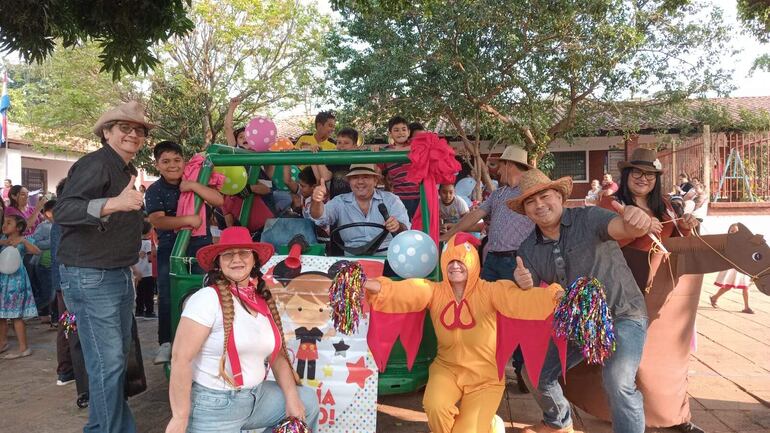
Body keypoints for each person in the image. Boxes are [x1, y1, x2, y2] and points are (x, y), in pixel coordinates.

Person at [363, 233, 562, 433]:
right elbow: (403, 292)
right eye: (450, 261)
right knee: (435, 408)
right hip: (447, 369)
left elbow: (521, 301)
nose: (455, 266)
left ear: (473, 262)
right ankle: (486, 424)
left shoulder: (491, 291)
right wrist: (366, 283)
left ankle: (491, 424)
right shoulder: (433, 291)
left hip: (485, 377)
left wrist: (558, 297)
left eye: (461, 260)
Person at [509, 168, 653, 433]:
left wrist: (634, 221)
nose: (539, 205)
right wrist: (524, 283)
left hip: (622, 314)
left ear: (560, 197)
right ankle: (558, 422)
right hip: (576, 321)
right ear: (525, 210)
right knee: (534, 371)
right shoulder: (528, 248)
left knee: (618, 381)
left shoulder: (589, 218)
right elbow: (527, 288)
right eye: (531, 201)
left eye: (545, 196)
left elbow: (621, 227)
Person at [54, 100, 153, 433]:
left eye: (138, 130)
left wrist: (130, 263)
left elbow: (116, 223)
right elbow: (64, 211)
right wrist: (117, 203)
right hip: (91, 275)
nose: (133, 134)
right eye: (124, 128)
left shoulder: (124, 170)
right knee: (108, 363)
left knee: (112, 362)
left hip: (116, 272)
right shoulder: (96, 164)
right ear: (106, 132)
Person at [166, 226, 319, 433]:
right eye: (228, 254)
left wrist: (292, 399)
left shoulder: (260, 300)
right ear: (218, 263)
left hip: (256, 398)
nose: (236, 259)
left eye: (243, 253)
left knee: (306, 401)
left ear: (254, 260)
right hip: (215, 407)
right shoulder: (206, 299)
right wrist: (179, 417)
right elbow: (180, 358)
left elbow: (278, 356)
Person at [594, 147, 702, 433]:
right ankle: (621, 413)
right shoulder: (610, 204)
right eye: (637, 173)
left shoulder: (666, 205)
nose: (644, 179)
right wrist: (635, 228)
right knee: (624, 363)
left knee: (667, 356)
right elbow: (598, 244)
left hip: (664, 289)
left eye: (650, 174)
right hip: (621, 288)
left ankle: (673, 415)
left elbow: (678, 239)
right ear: (627, 174)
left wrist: (688, 226)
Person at [145, 140, 224, 365]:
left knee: (204, 290)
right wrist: (186, 220)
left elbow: (219, 200)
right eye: (166, 161)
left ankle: (205, 340)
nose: (172, 165)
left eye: (177, 160)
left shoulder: (197, 177)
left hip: (201, 244)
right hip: (171, 246)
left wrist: (194, 187)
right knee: (169, 293)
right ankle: (167, 342)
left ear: (184, 161)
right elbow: (157, 219)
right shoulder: (155, 190)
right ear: (157, 165)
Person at [309, 164, 409, 256]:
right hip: (353, 258)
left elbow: (405, 230)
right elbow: (319, 217)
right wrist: (317, 201)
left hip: (388, 256)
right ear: (349, 182)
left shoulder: (391, 200)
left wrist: (397, 225)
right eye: (355, 177)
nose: (360, 182)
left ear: (375, 181)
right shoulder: (339, 201)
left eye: (365, 177)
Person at [0, 214, 41, 359]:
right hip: (2, 282)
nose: (4, 225)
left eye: (9, 223)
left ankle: (24, 348)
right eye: (4, 222)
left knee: (16, 316)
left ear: (18, 228)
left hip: (16, 283)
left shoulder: (23, 241)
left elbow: (37, 251)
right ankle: (2, 343)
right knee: (1, 315)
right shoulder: (2, 240)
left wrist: (22, 241)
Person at [380, 116, 421, 219]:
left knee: (421, 227)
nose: (401, 133)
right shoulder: (385, 151)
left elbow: (421, 146)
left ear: (408, 132)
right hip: (400, 197)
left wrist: (393, 152)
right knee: (404, 225)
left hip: (421, 195)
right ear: (390, 134)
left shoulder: (414, 144)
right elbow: (378, 172)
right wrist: (376, 150)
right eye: (396, 130)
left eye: (404, 129)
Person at [710, 223, 754, 314]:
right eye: (732, 230)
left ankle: (747, 307)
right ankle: (714, 297)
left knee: (745, 287)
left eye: (736, 231)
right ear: (729, 231)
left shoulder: (744, 241)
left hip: (742, 267)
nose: (734, 232)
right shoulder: (727, 241)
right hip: (731, 267)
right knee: (728, 286)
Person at [30, 199, 56, 323]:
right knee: (47, 296)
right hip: (45, 265)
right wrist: (53, 242)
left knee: (54, 296)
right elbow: (36, 242)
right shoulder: (43, 226)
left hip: (56, 265)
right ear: (47, 213)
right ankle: (23, 312)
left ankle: (55, 319)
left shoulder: (61, 225)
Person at [132, 222, 156, 318]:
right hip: (148, 272)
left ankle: (139, 311)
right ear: (149, 231)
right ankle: (149, 312)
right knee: (149, 293)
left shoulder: (136, 242)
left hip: (139, 271)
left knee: (140, 293)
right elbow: (150, 258)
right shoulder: (147, 243)